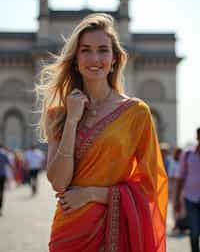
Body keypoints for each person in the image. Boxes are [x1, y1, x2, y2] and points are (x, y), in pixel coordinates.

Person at [36, 13, 168, 251]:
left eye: (103, 50)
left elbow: (150, 186)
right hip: (69, 232)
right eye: (85, 50)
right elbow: (58, 182)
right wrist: (72, 120)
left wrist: (92, 194)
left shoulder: (136, 113)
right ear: (75, 59)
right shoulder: (58, 114)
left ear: (115, 59)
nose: (94, 58)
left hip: (116, 233)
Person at [174, 128, 200, 252]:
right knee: (194, 232)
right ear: (197, 138)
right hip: (191, 199)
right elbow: (180, 178)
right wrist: (176, 201)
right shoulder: (188, 154)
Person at [0, 145, 12, 216]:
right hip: (2, 175)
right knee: (1, 191)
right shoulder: (4, 154)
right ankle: (0, 207)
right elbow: (9, 164)